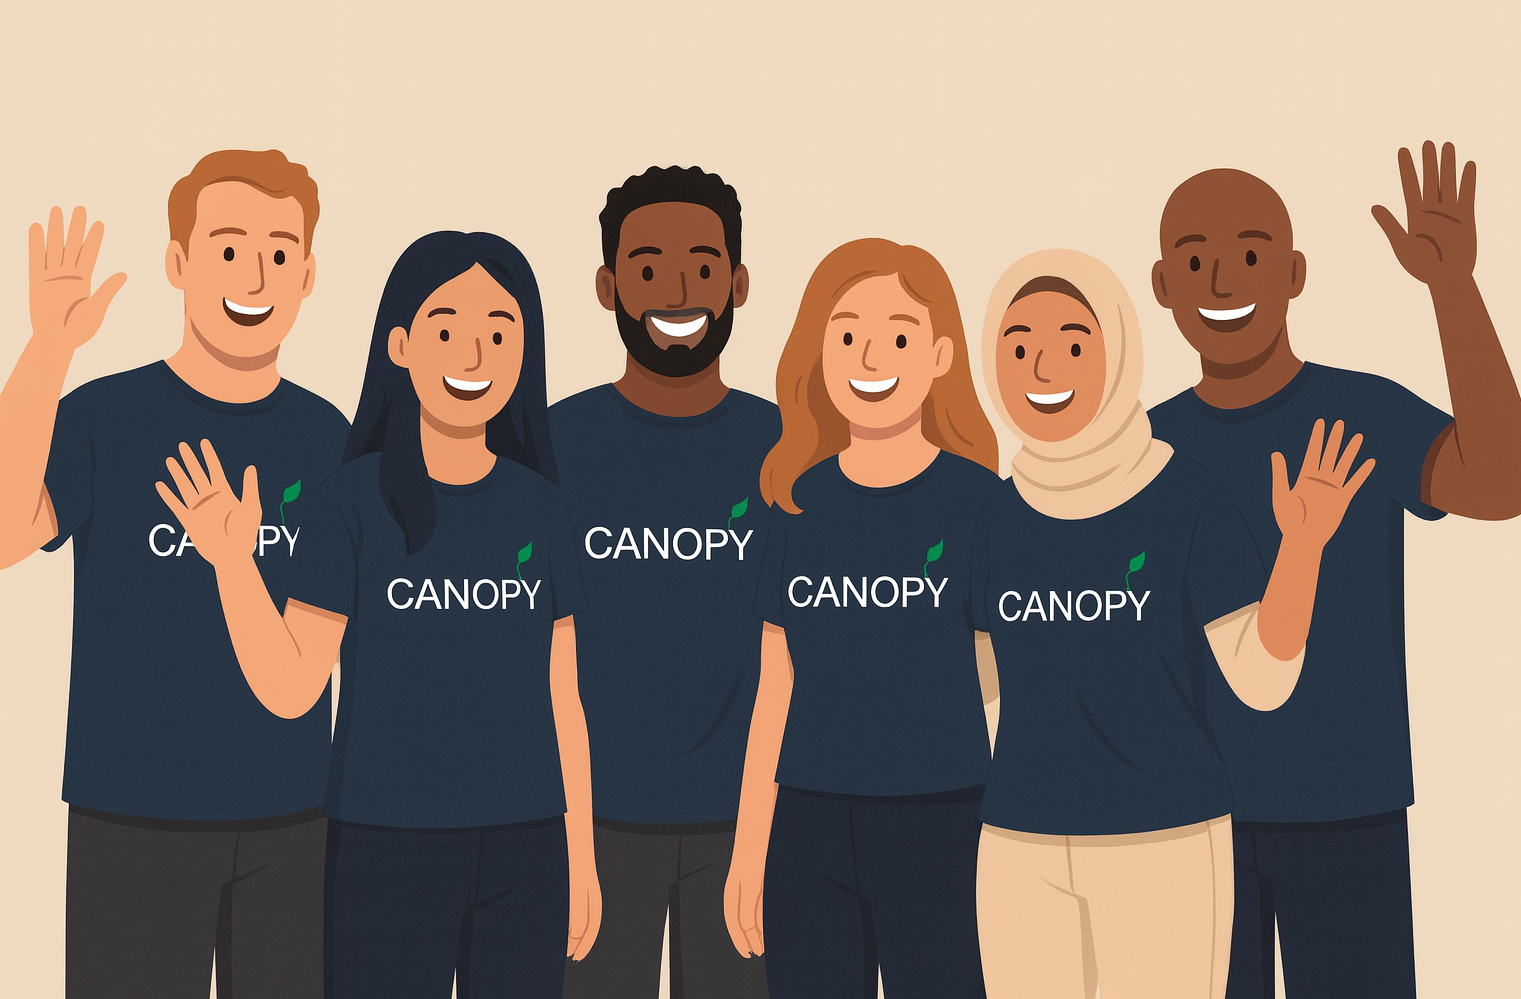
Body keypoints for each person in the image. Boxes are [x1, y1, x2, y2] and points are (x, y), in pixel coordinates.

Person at [154, 231, 601, 999]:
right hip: (383, 845)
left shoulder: (543, 510)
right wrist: (233, 564)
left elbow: (565, 698)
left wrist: (583, 857)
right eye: (448, 330)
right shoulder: (351, 504)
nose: (474, 356)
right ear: (399, 344)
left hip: (528, 846)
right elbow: (293, 685)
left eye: (500, 333)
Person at [1146, 143, 1521, 998]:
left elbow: (1505, 484)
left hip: (1347, 808)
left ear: (1294, 273)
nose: (1221, 281)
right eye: (1195, 260)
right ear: (1162, 285)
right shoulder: (1141, 450)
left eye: (1248, 256)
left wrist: (1453, 288)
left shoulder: (1362, 412)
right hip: (1186, 827)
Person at [971, 249, 1374, 999]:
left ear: (1117, 351)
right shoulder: (994, 515)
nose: (1042, 367)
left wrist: (1304, 550)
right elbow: (970, 685)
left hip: (1162, 841)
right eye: (1017, 345)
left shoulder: (1183, 496)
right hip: (1017, 843)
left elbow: (1263, 678)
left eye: (1072, 344)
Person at [0, 150, 347, 998]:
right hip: (131, 817)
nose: (254, 275)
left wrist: (236, 561)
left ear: (307, 276)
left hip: (294, 822)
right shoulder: (104, 416)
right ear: (179, 265)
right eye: (228, 249)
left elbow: (306, 671)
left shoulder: (329, 438)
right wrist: (48, 349)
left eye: (278, 252)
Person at [725, 238, 1001, 997]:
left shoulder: (979, 506)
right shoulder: (795, 505)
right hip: (809, 826)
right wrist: (751, 849)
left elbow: (1013, 683)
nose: (870, 357)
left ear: (941, 355)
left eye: (899, 337)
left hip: (944, 821)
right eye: (846, 335)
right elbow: (774, 689)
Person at [551, 166, 777, 999]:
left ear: (737, 283)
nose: (677, 288)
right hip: (588, 823)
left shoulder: (787, 447)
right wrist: (569, 839)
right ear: (609, 287)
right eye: (647, 267)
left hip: (754, 825)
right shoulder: (550, 444)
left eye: (703, 265)